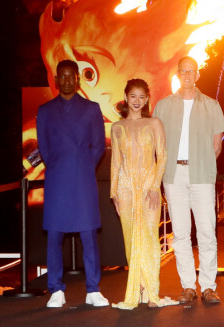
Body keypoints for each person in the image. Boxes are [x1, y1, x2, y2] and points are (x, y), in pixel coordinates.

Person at [153, 56, 224, 305]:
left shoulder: (212, 105)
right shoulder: (162, 106)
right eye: (183, 71)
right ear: (177, 74)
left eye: (191, 71)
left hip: (202, 175)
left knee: (207, 232)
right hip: (173, 176)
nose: (187, 75)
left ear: (197, 75)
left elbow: (217, 147)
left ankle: (208, 286)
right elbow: (156, 143)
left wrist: (201, 163)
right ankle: (188, 286)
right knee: (181, 235)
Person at [36, 59, 109, 308]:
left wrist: (84, 165)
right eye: (62, 76)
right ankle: (56, 289)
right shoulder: (45, 110)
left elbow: (99, 145)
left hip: (83, 177)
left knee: (88, 233)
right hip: (57, 179)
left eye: (71, 76)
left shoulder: (91, 108)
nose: (67, 80)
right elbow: (44, 147)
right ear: (57, 80)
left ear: (77, 79)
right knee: (55, 234)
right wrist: (57, 164)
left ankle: (93, 289)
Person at [110, 79, 178, 309]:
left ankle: (151, 290)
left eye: (141, 97)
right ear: (126, 97)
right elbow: (116, 162)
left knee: (149, 236)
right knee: (131, 238)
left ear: (147, 99)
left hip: (149, 185)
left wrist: (153, 187)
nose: (137, 101)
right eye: (133, 96)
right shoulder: (117, 127)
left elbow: (163, 156)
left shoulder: (154, 123)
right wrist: (114, 193)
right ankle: (137, 288)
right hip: (126, 188)